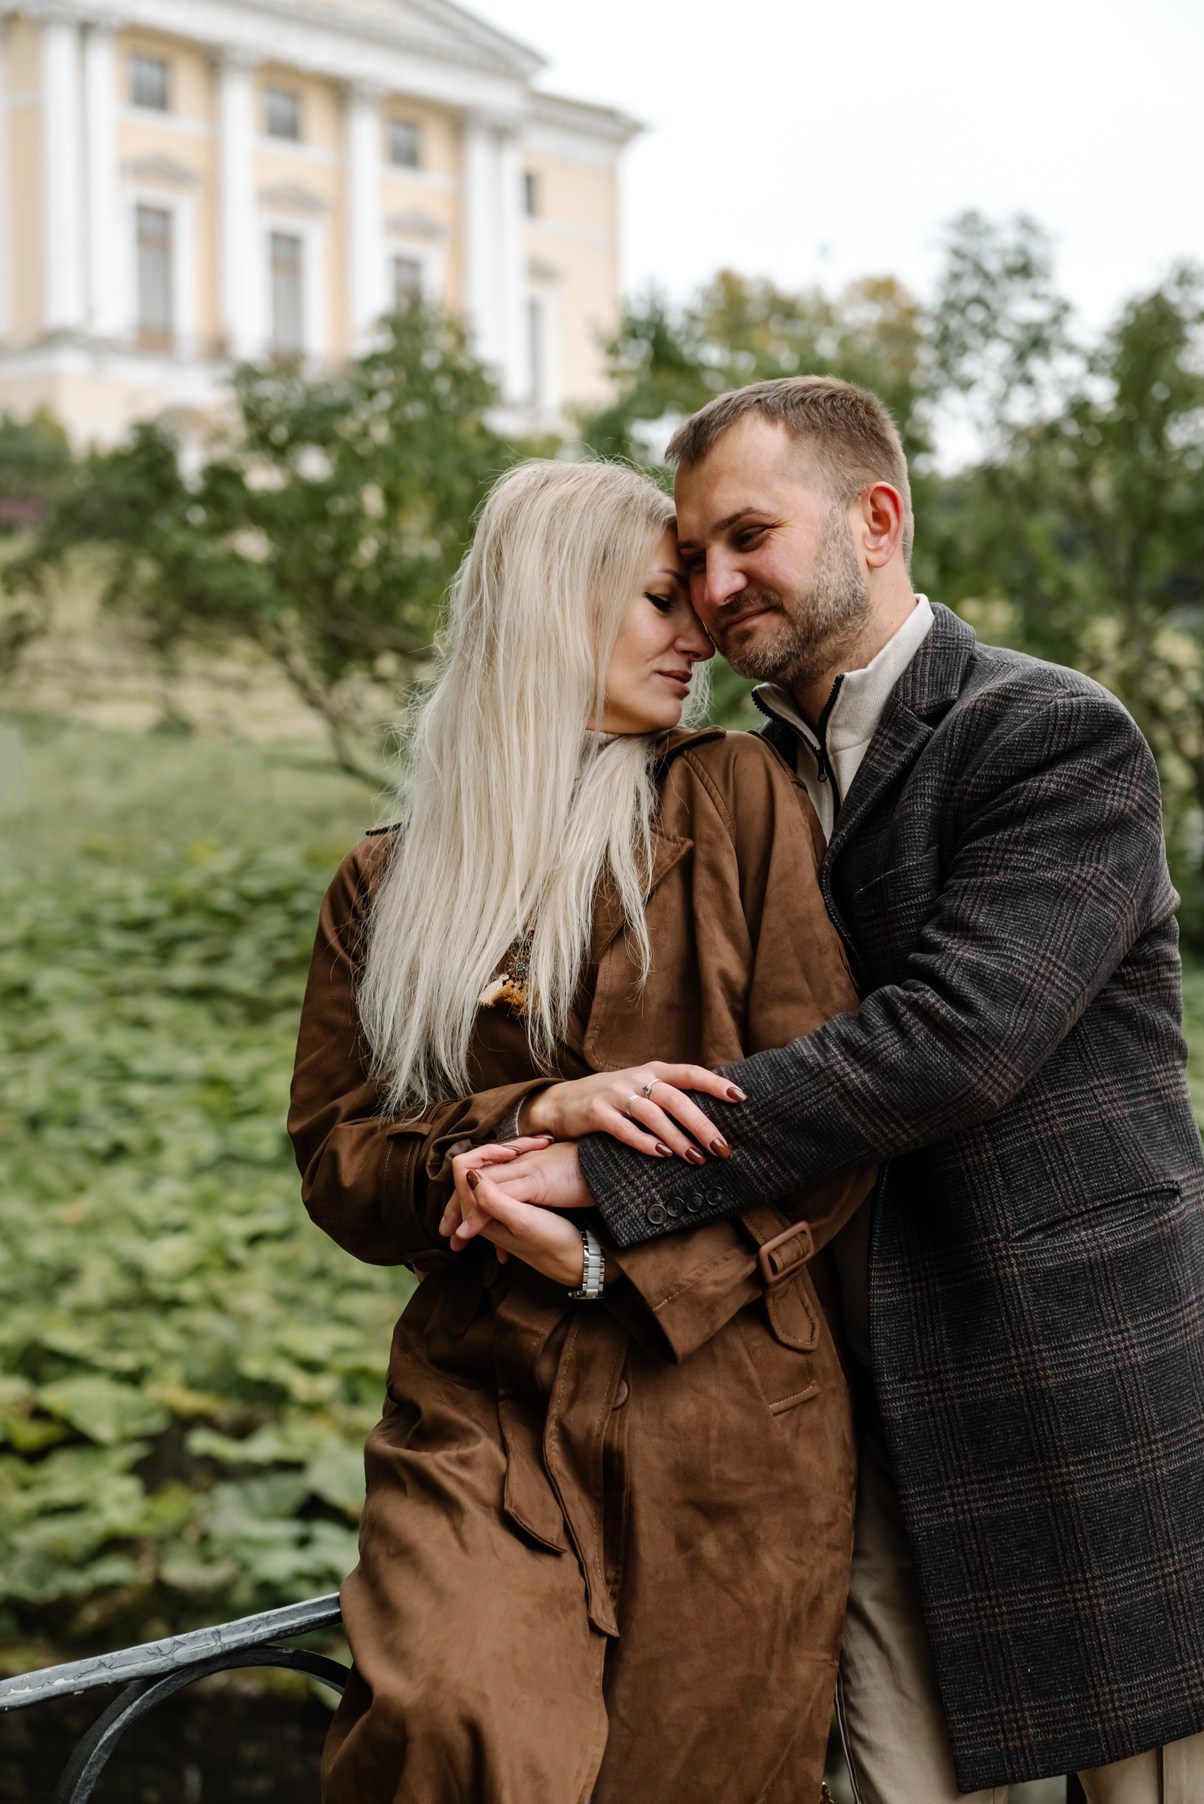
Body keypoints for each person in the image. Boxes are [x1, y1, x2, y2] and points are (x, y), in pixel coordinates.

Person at [447, 379, 1204, 1804]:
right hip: (835, 1411)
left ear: (876, 519)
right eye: (693, 557)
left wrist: (615, 1168)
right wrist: (534, 1123)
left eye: (751, 537)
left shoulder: (1047, 732)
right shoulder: (731, 778)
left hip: (1064, 1389)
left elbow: (953, 1041)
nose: (718, 586)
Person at [288, 457, 874, 1804]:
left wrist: (618, 1260)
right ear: (559, 607)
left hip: (728, 1402)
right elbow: (340, 1161)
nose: (700, 637)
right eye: (663, 601)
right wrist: (526, 1114)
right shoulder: (388, 880)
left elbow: (833, 1112)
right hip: (480, 1400)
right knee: (451, 1720)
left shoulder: (737, 798)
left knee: (702, 1778)